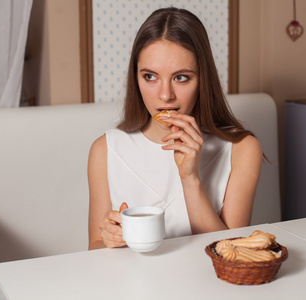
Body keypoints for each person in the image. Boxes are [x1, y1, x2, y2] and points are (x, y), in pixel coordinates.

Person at [88, 7, 262, 250]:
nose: (165, 95)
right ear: (135, 78)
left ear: (203, 80)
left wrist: (190, 178)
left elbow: (232, 252)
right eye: (150, 76)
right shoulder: (106, 149)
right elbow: (94, 249)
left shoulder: (242, 149)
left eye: (181, 78)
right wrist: (110, 240)